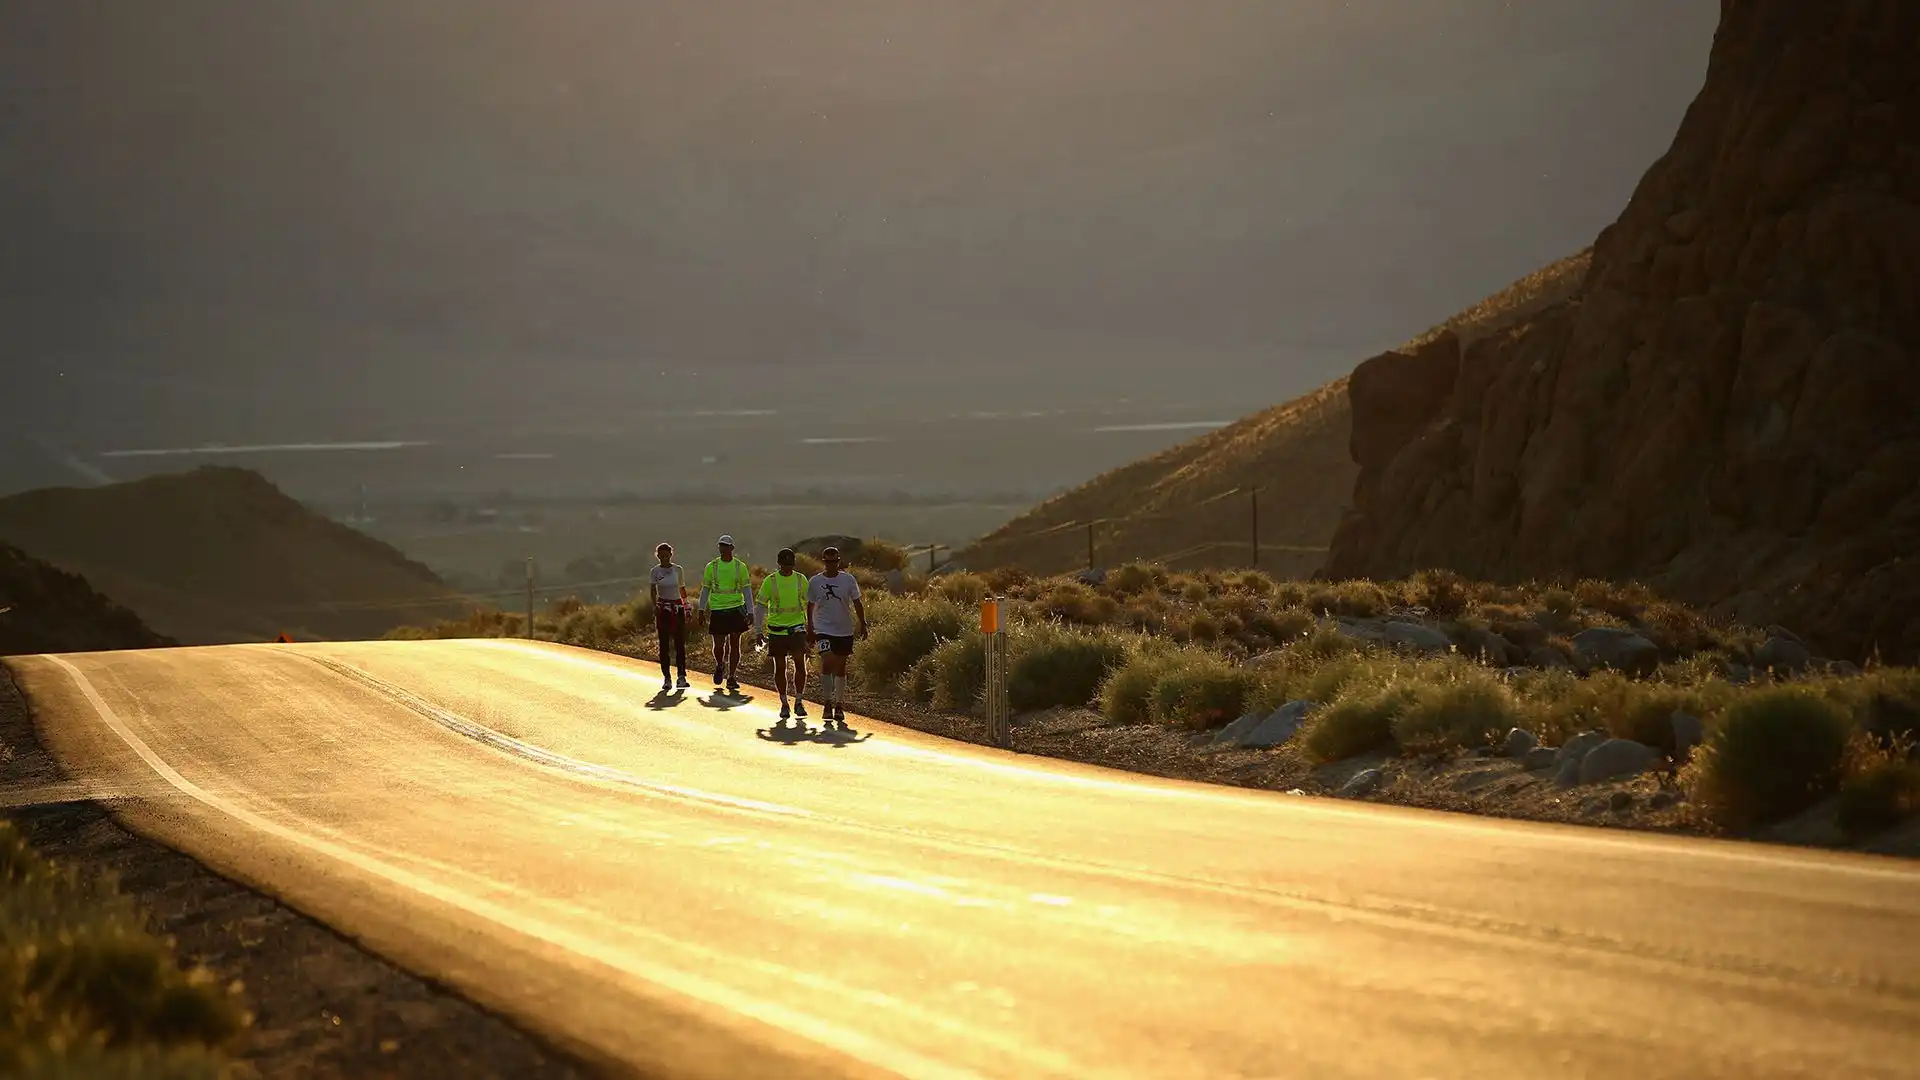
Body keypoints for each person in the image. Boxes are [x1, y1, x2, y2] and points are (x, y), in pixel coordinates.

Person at [805, 545, 867, 725]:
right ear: (824, 562)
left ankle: (839, 705)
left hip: (844, 629)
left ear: (838, 562)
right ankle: (827, 702)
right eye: (828, 562)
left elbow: (857, 602)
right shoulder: (815, 582)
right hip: (823, 628)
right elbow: (810, 606)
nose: (831, 565)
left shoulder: (848, 580)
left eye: (834, 561)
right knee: (827, 660)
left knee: (840, 667)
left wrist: (863, 623)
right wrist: (810, 627)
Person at [754, 548, 811, 720]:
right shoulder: (770, 581)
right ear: (779, 564)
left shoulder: (801, 580)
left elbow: (810, 604)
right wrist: (758, 630)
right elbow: (761, 607)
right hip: (777, 630)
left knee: (800, 666)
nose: (787, 568)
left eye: (790, 565)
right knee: (780, 667)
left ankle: (799, 701)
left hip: (797, 628)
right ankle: (784, 702)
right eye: (784, 565)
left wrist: (812, 628)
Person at [697, 534, 755, 694]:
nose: (723, 549)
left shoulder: (740, 567)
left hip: (736, 608)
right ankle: (720, 664)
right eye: (721, 546)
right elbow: (705, 589)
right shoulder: (712, 566)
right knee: (719, 645)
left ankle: (732, 676)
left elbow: (747, 589)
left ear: (732, 548)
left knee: (735, 643)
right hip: (718, 609)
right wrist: (701, 609)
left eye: (726, 546)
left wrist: (750, 610)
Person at [648, 542, 690, 691]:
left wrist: (687, 606)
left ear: (671, 555)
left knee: (679, 644)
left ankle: (681, 676)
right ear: (658, 556)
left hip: (677, 608)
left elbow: (682, 588)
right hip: (663, 609)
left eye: (667, 555)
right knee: (664, 645)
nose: (664, 558)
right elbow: (653, 591)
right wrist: (654, 606)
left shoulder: (678, 570)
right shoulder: (655, 571)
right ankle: (667, 678)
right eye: (661, 556)